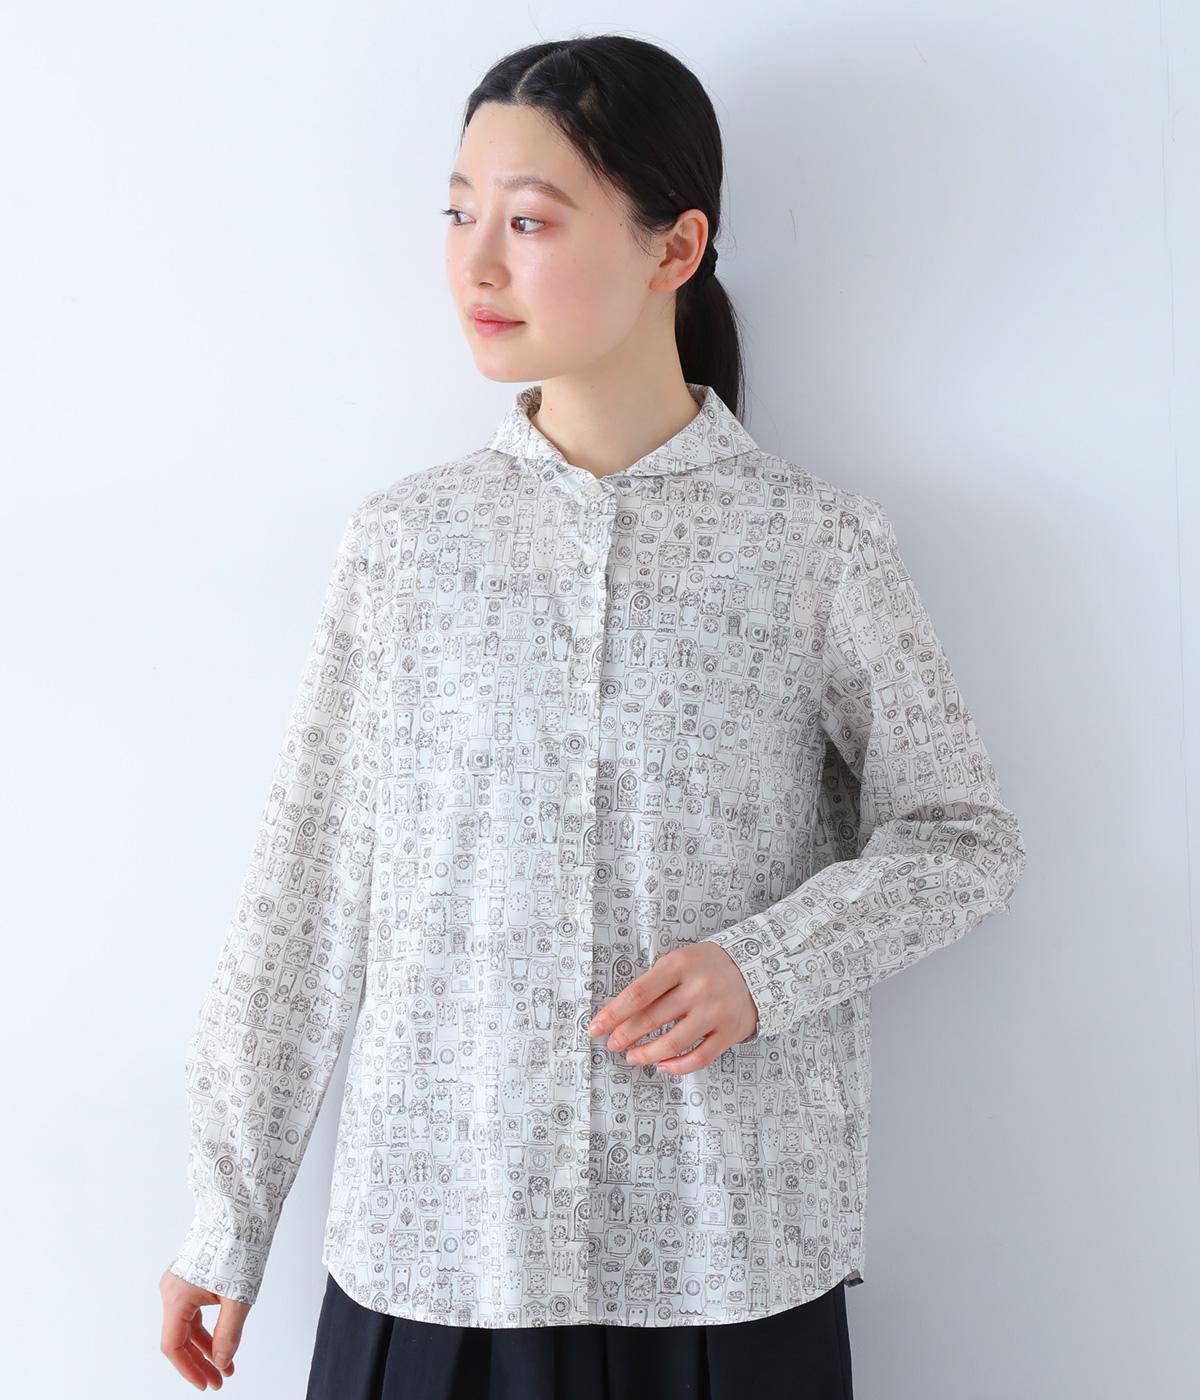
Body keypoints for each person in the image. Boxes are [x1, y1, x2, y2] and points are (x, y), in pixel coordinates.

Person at [159, 33, 1026, 1398]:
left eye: (528, 221)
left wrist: (767, 965)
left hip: (726, 1260)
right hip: (442, 1258)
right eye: (458, 213)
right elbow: (306, 893)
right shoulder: (407, 548)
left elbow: (961, 839)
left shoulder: (816, 548)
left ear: (674, 248)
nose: (476, 264)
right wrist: (228, 1214)